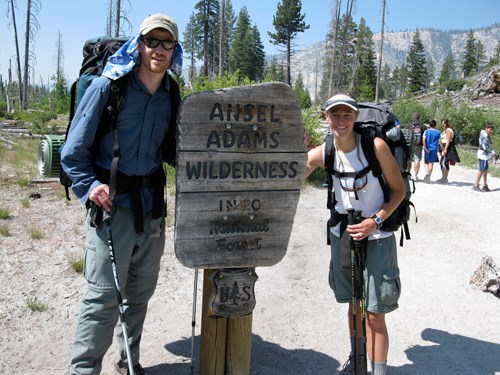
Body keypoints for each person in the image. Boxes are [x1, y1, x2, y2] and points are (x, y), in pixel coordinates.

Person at [61, 13, 182, 375]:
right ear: (140, 44)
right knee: (102, 297)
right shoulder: (108, 87)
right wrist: (89, 187)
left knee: (139, 294)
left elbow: (173, 151)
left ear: (174, 49)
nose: (158, 49)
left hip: (151, 207)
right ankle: (83, 370)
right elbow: (71, 153)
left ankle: (127, 361)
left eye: (167, 43)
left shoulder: (171, 93)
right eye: (152, 41)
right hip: (112, 207)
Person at [305, 93, 405, 375]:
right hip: (344, 234)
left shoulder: (376, 147)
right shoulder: (324, 151)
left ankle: (378, 371)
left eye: (347, 114)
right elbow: (294, 172)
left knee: (374, 314)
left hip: (377, 237)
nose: (341, 120)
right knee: (354, 305)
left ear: (356, 116)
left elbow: (399, 191)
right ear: (326, 117)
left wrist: (375, 220)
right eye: (335, 115)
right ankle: (356, 360)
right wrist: (293, 148)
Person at [473, 123, 496, 191]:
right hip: (483, 155)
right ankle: (476, 185)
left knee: (485, 170)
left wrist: (491, 151)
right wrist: (492, 152)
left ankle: (485, 185)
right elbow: (484, 146)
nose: (491, 131)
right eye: (490, 129)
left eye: (492, 129)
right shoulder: (485, 135)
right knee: (482, 169)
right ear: (486, 129)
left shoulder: (485, 135)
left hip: (483, 154)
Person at [437, 118, 460, 184]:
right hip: (443, 147)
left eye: (444, 123)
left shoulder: (448, 131)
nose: (442, 124)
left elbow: (448, 140)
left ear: (447, 124)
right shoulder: (445, 131)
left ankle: (445, 178)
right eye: (442, 123)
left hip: (447, 147)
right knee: (442, 162)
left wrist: (445, 149)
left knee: (444, 162)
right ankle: (443, 177)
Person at [408, 112, 426, 181]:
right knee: (417, 159)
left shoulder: (409, 125)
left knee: (409, 159)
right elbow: (424, 136)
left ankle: (408, 174)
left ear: (413, 117)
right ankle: (415, 176)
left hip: (410, 144)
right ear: (419, 117)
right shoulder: (423, 126)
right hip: (418, 145)